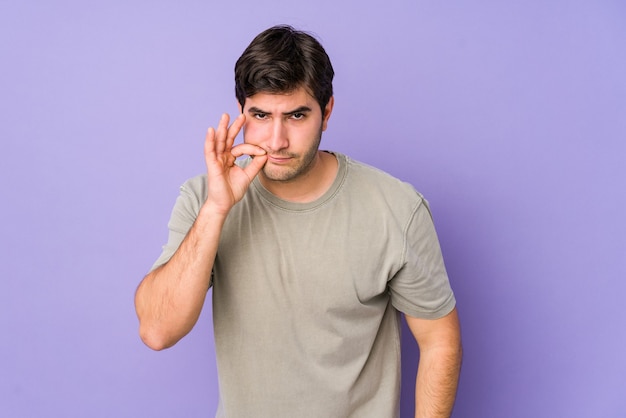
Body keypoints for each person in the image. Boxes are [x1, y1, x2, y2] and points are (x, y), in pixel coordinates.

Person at [135, 25, 462, 418]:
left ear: (327, 113)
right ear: (242, 113)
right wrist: (217, 209)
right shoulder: (203, 199)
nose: (276, 140)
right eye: (260, 115)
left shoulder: (396, 208)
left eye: (296, 115)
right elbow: (157, 330)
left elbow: (439, 340)